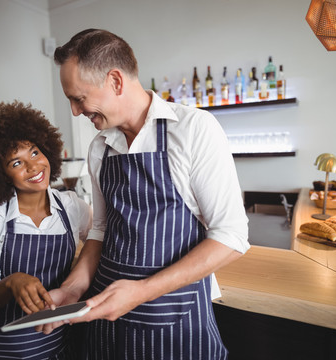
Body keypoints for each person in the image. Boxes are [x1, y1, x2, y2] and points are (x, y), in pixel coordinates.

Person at [44, 29, 249, 359]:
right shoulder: (100, 147)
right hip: (106, 320)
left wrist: (141, 292)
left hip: (174, 320)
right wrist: (73, 287)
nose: (75, 111)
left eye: (79, 98)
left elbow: (231, 238)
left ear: (115, 81)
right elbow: (101, 230)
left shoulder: (194, 129)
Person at [0, 101, 92, 359]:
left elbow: (99, 240)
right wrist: (11, 282)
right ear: (0, 174)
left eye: (34, 152)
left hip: (56, 340)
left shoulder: (72, 206)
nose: (33, 167)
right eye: (16, 163)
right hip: (3, 348)